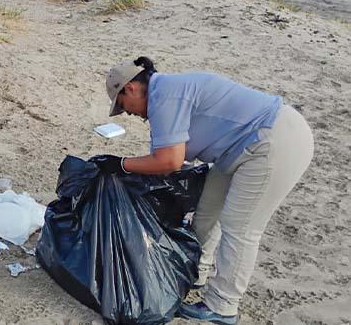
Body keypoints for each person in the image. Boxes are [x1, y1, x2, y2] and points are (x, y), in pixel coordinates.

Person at [91, 57, 314, 325]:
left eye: (124, 107)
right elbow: (169, 162)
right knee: (207, 210)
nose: (129, 114)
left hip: (273, 141)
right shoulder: (165, 95)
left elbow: (168, 161)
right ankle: (195, 273)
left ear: (131, 88)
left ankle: (223, 306)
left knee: (240, 227)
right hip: (237, 149)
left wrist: (121, 165)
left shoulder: (165, 96)